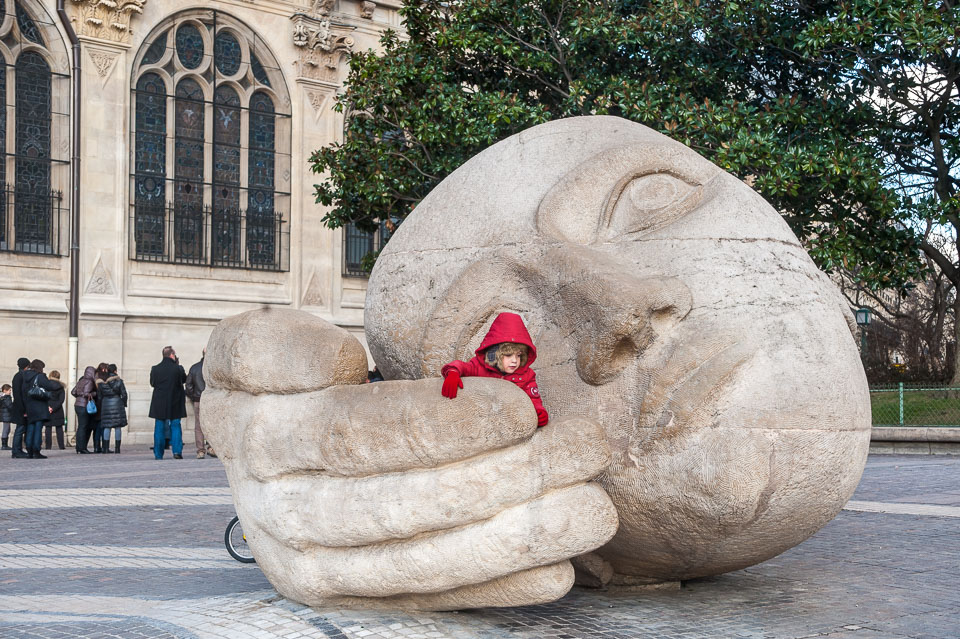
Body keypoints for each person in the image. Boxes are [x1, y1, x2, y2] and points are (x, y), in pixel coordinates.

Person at [440, 312, 549, 427]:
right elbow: (463, 366)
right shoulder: (479, 366)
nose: (515, 361)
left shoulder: (526, 375)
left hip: (509, 421)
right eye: (508, 355)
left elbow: (533, 398)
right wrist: (453, 372)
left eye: (518, 355)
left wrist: (538, 411)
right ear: (495, 354)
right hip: (480, 419)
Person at [149, 346, 187, 460]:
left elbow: (153, 383)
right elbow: (184, 379)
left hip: (159, 402)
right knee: (175, 426)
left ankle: (158, 454)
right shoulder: (178, 368)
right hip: (175, 401)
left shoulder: (155, 368)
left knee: (159, 428)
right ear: (172, 355)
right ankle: (177, 451)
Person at [20, 360, 61, 459]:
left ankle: (29, 450)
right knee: (38, 428)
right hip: (39, 405)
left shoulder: (25, 376)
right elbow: (50, 385)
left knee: (30, 428)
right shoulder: (40, 376)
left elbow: (23, 392)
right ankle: (36, 450)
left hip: (29, 406)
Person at [185, 348, 211, 459]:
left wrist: (194, 396)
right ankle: (211, 447)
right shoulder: (212, 368)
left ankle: (200, 450)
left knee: (199, 426)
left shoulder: (195, 367)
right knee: (212, 424)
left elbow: (188, 385)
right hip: (211, 400)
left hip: (198, 400)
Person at [96, 364, 128, 454]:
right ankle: (117, 448)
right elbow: (124, 394)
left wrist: (103, 403)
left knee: (107, 426)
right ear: (115, 371)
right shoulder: (119, 381)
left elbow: (99, 396)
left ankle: (105, 448)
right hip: (117, 403)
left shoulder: (102, 382)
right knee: (118, 427)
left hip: (106, 404)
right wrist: (124, 403)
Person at [71, 366, 97, 454]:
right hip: (84, 405)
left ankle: (79, 447)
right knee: (83, 427)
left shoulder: (81, 381)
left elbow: (73, 392)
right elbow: (86, 393)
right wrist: (94, 393)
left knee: (80, 427)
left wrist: (79, 397)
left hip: (77, 405)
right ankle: (82, 448)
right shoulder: (90, 382)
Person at [10, 357, 30, 458]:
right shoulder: (20, 376)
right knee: (20, 429)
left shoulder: (18, 376)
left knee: (21, 428)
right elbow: (18, 395)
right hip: (20, 407)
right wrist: (23, 409)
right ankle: (16, 450)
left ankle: (17, 450)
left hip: (20, 406)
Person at [45, 371, 67, 450]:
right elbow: (61, 400)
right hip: (58, 409)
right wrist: (54, 408)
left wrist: (49, 407)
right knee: (59, 428)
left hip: (47, 408)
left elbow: (43, 397)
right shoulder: (60, 387)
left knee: (48, 428)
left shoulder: (46, 385)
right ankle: (61, 446)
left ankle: (48, 446)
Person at [91, 363, 110, 453]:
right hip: (103, 404)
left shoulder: (95, 376)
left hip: (96, 404)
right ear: (104, 369)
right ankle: (104, 447)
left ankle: (96, 447)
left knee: (97, 428)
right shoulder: (105, 377)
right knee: (103, 427)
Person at [0, 384, 14, 450]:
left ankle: (5, 444)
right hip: (6, 415)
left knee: (7, 429)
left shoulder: (2, 397)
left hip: (5, 415)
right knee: (6, 429)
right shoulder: (6, 397)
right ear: (5, 390)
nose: (10, 392)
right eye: (9, 390)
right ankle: (4, 445)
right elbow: (10, 406)